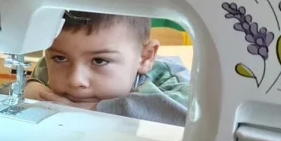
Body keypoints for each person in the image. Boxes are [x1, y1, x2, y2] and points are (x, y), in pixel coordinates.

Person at [19, 11, 190, 126]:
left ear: (145, 57)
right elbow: (9, 91)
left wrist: (90, 109)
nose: (75, 80)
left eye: (99, 61)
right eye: (60, 58)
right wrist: (30, 89)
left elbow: (191, 115)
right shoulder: (47, 67)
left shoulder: (171, 78)